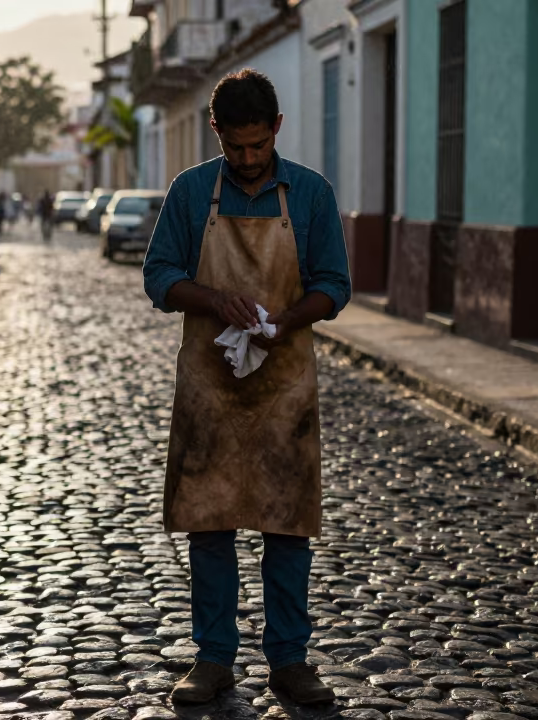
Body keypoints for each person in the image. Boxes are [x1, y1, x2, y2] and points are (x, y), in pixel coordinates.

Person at [142, 69, 351, 706]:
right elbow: (158, 277)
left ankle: (290, 659)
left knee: (287, 526)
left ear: (277, 131)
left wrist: (285, 319)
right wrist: (212, 300)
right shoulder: (190, 191)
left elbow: (334, 285)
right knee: (209, 526)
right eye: (236, 148)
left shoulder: (311, 194)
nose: (249, 159)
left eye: (258, 146)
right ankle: (213, 659)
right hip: (210, 385)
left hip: (284, 386)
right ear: (218, 135)